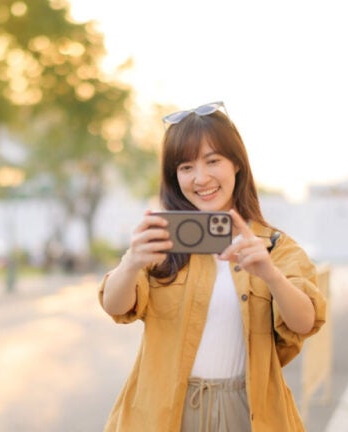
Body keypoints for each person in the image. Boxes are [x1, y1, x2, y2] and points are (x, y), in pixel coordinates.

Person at [98, 101, 327, 432]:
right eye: (186, 166)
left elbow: (304, 322)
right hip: (165, 411)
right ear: (175, 176)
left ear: (236, 163)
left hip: (246, 410)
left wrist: (269, 274)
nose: (200, 178)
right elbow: (115, 306)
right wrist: (132, 261)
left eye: (212, 161)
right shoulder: (163, 242)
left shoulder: (276, 246)